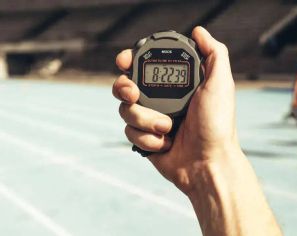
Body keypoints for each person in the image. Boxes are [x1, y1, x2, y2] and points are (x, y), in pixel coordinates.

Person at [112, 26, 282, 236]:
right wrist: (208, 167)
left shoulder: (150, 54)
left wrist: (212, 159)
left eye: (172, 73)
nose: (166, 76)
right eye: (159, 72)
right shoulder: (184, 53)